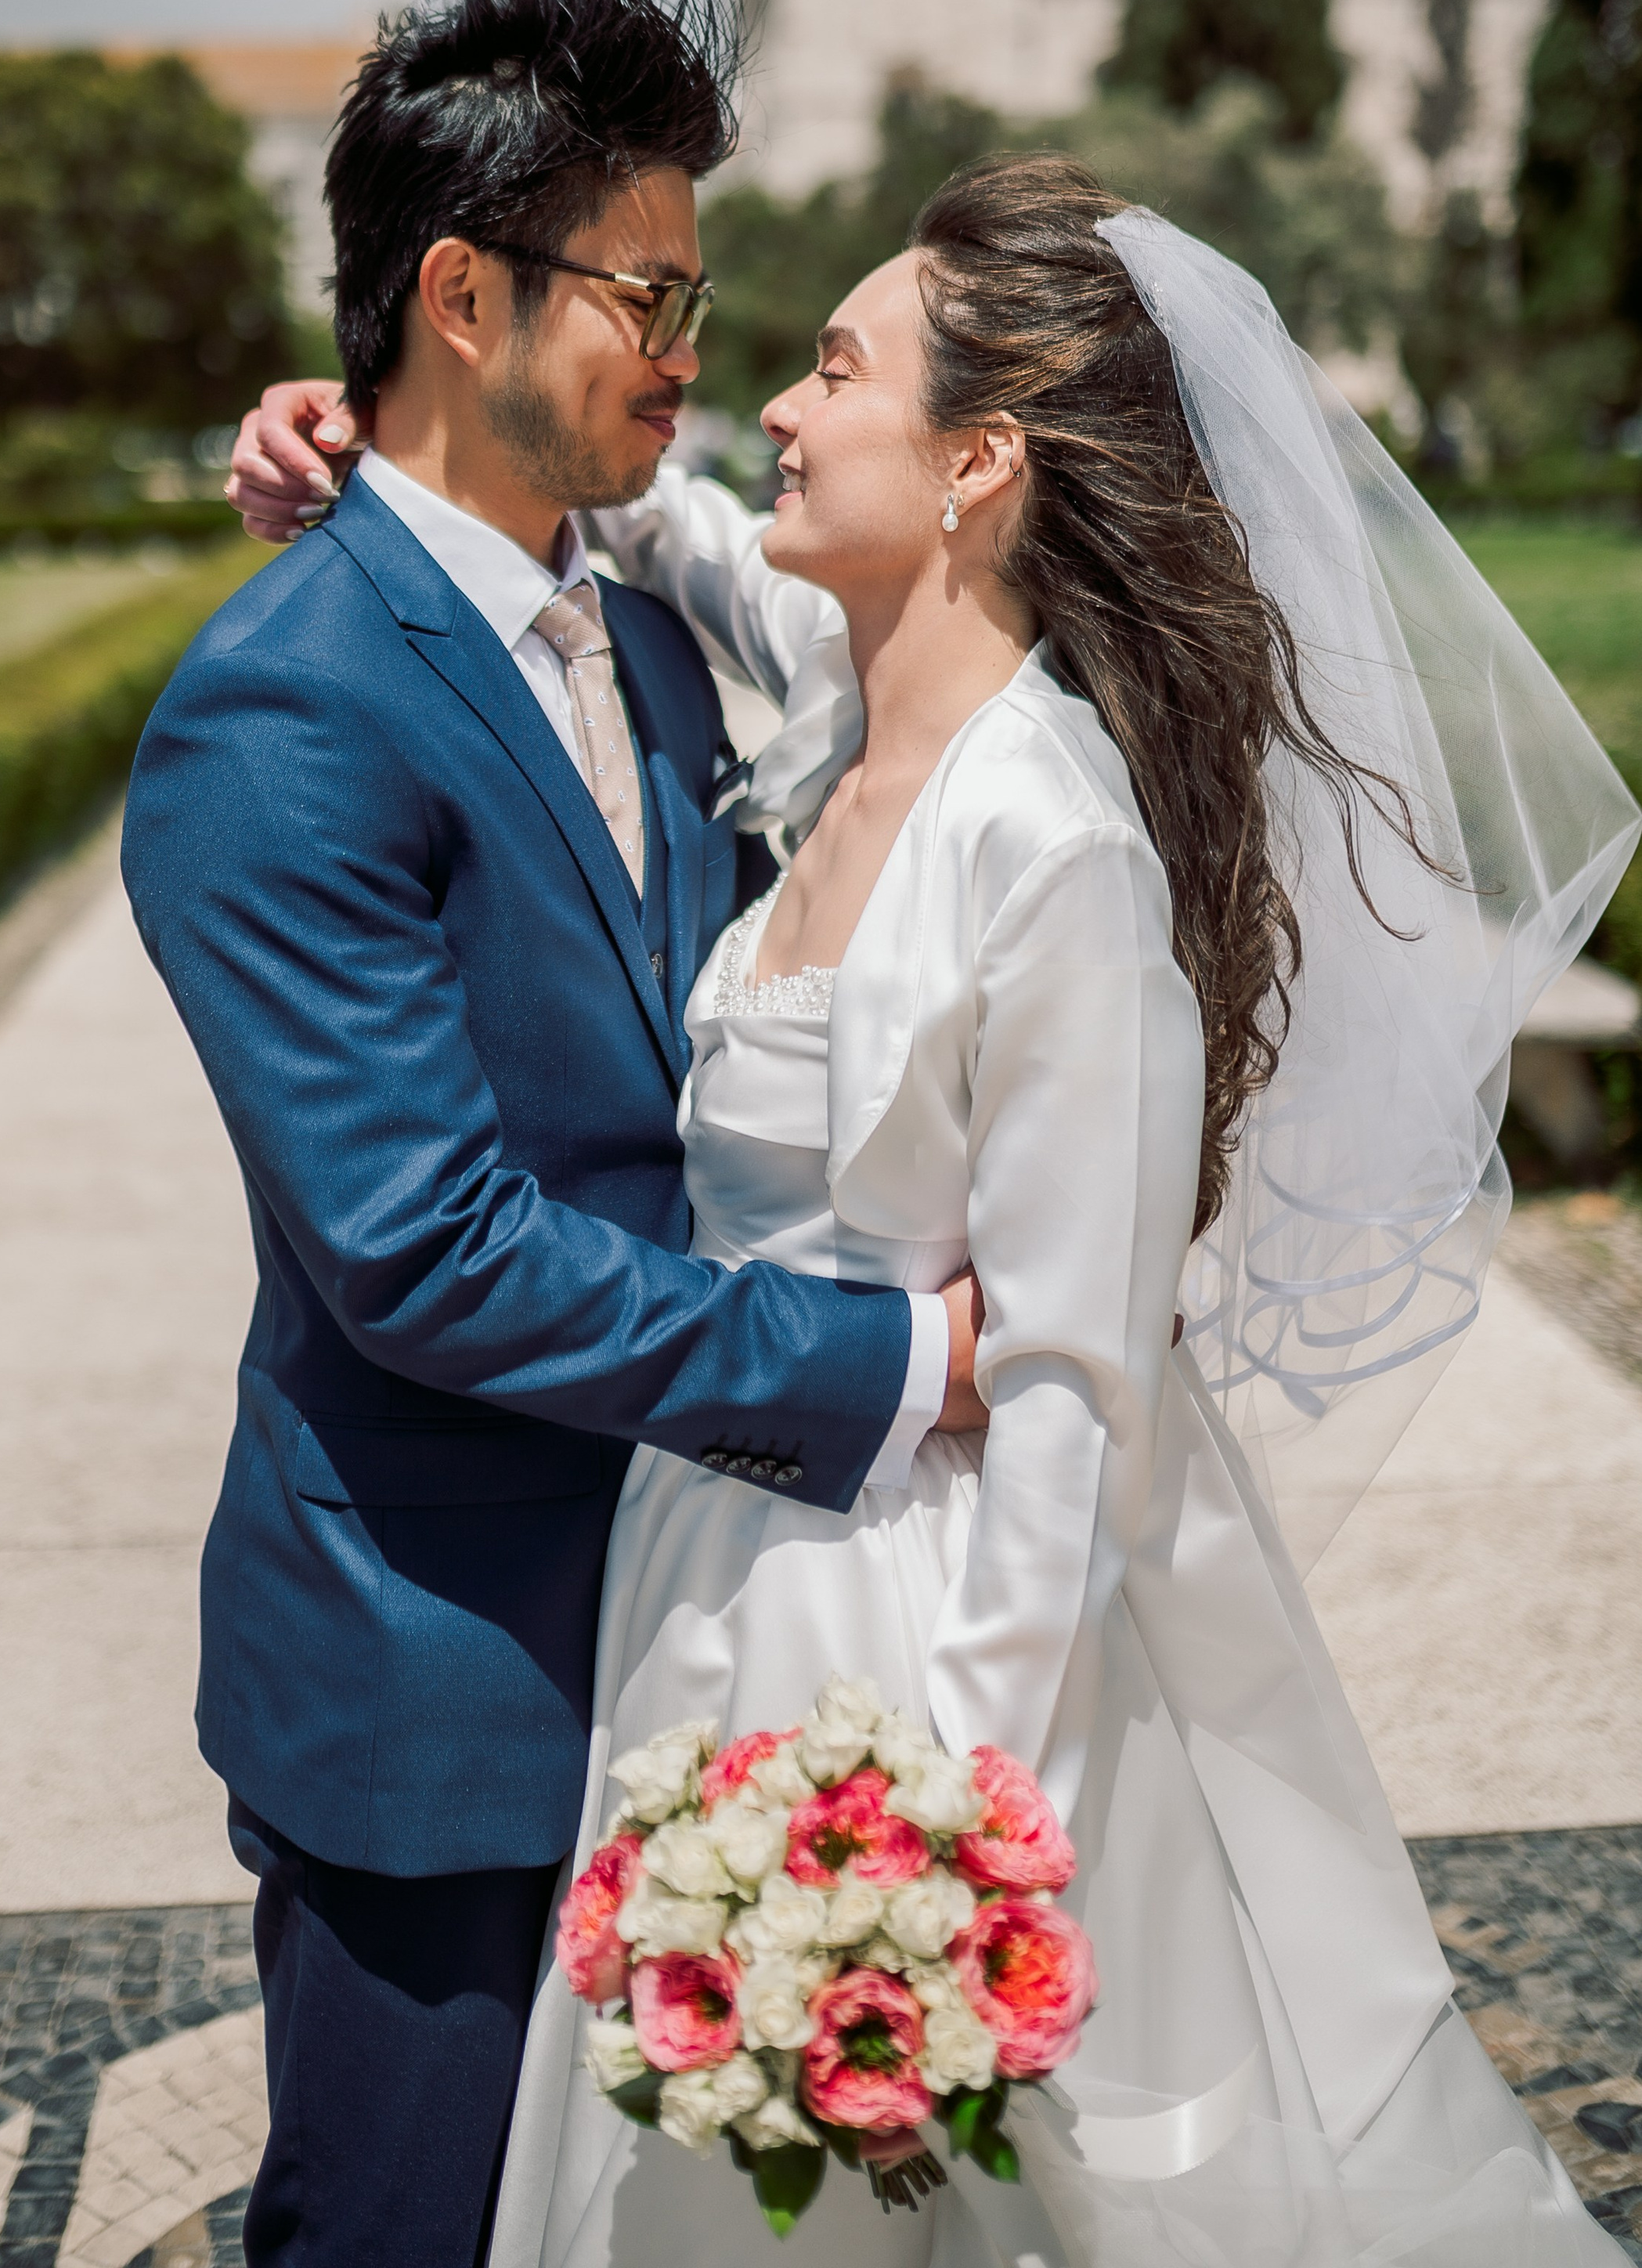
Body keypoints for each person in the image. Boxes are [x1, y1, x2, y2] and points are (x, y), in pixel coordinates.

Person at [233, 154, 1636, 2263]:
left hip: (934, 1629)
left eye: (831, 367)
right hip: (708, 1576)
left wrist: (942, 1845)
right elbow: (657, 523)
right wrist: (357, 449)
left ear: (977, 464)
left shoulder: (1050, 844)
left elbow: (1074, 1399)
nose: (773, 408)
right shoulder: (832, 712)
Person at [121, 0, 987, 2268]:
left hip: (704, 1624)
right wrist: (890, 1366)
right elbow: (423, 1251)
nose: (693, 355)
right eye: (648, 296)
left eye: (702, 297)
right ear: (462, 299)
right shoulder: (284, 709)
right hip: (443, 1681)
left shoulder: (658, 633)